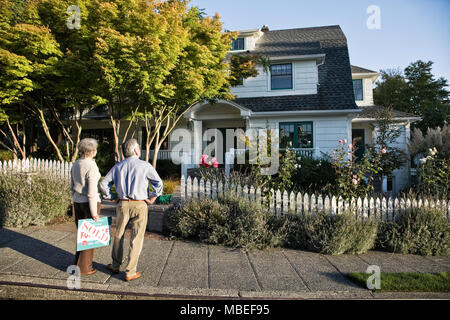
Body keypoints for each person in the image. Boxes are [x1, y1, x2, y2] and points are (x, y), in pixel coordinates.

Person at [100, 138, 163, 281]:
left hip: (123, 204)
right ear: (135, 150)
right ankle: (130, 271)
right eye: (139, 148)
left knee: (119, 235)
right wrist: (153, 198)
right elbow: (158, 183)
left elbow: (104, 184)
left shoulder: (118, 166)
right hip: (140, 203)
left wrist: (111, 197)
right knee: (136, 238)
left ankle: (115, 265)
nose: (139, 150)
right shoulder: (145, 165)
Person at [70, 138, 101, 276]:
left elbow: (72, 185)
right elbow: (92, 192)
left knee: (81, 234)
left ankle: (78, 264)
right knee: (89, 237)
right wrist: (94, 212)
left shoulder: (76, 164)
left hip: (77, 201)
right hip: (89, 203)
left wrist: (74, 199)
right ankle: (84, 268)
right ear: (92, 151)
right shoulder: (91, 166)